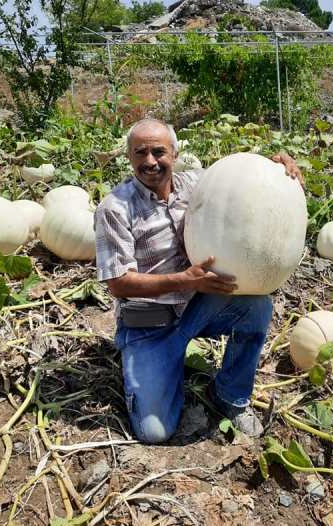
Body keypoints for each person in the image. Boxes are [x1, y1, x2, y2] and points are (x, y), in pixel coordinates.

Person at [95, 118, 303, 444]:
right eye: (141, 153)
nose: (150, 161)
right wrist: (184, 280)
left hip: (193, 310)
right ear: (129, 157)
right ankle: (156, 368)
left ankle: (229, 395)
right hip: (147, 326)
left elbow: (240, 179)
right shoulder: (114, 208)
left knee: (255, 306)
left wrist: (278, 163)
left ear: (175, 154)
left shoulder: (195, 184)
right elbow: (119, 283)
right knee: (154, 432)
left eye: (159, 152)